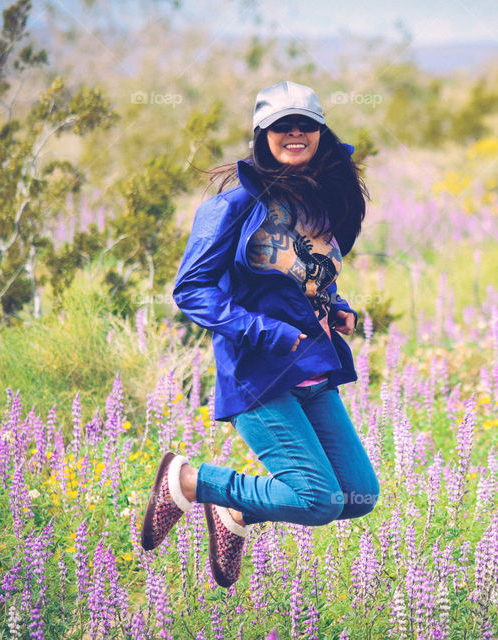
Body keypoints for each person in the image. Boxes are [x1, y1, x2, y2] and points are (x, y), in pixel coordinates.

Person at [140, 81, 381, 589]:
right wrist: (266, 332)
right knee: (317, 501)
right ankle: (189, 480)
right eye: (281, 125)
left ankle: (237, 515)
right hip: (259, 373)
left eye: (305, 124)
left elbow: (307, 274)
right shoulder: (231, 208)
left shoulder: (322, 202)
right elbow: (192, 290)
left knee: (359, 495)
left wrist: (336, 307)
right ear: (261, 134)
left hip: (313, 369)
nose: (294, 133)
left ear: (321, 132)